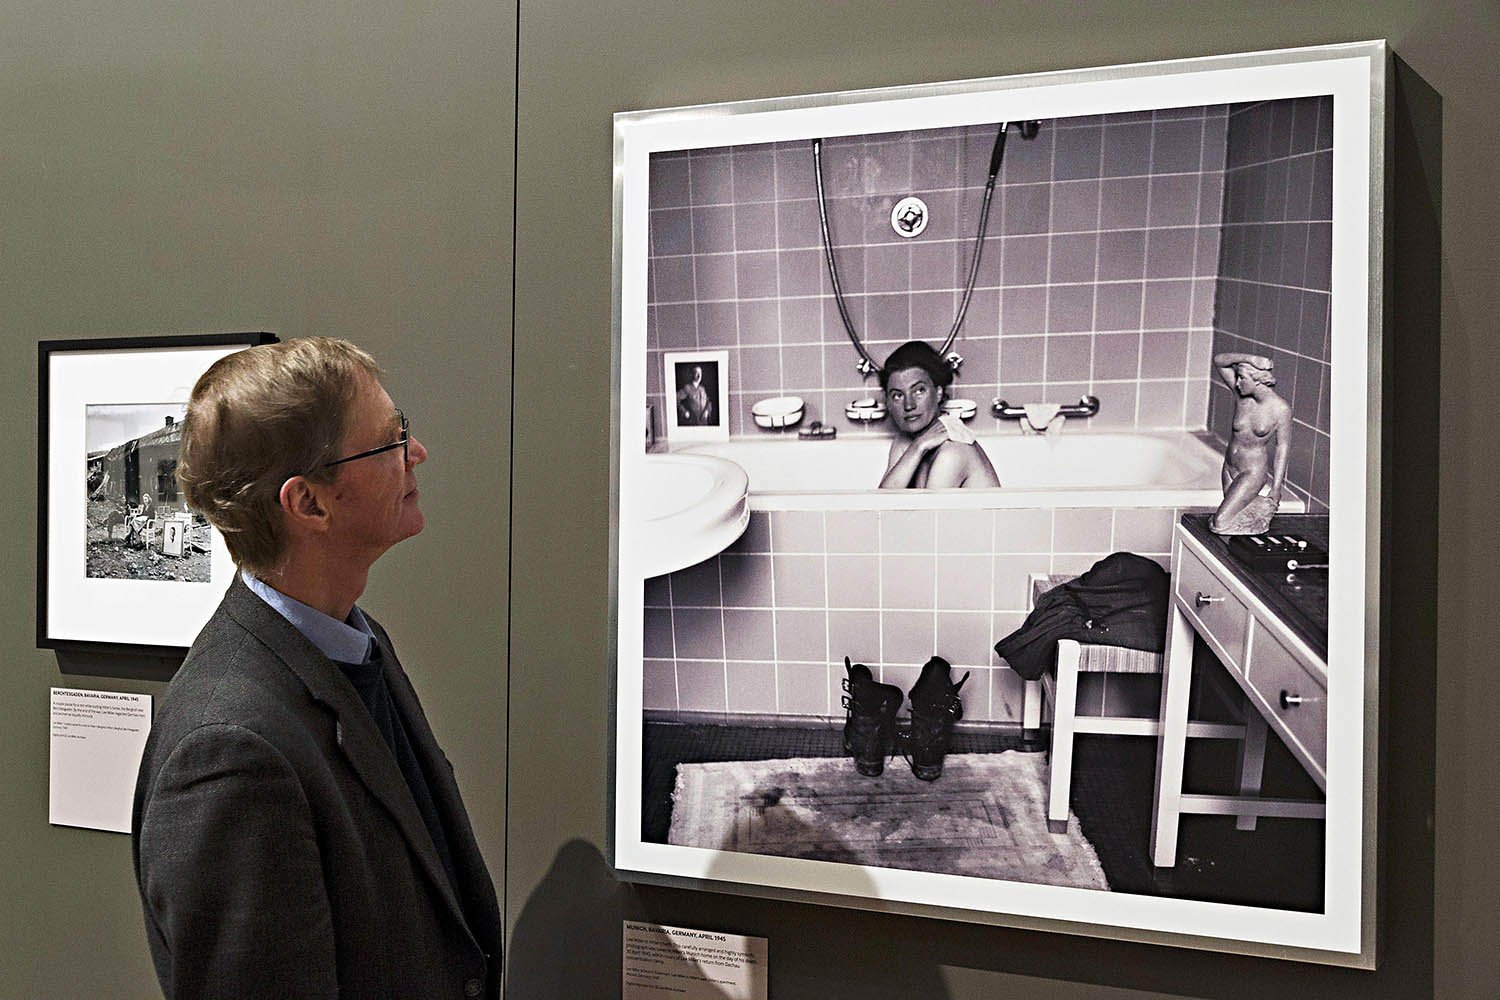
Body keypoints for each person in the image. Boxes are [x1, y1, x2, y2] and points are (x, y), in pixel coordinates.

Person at [131, 338, 500, 999]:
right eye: (391, 441)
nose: (417, 454)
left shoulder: (354, 642)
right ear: (310, 504)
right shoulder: (229, 751)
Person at [878, 340, 999, 489]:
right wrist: (918, 446)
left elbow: (928, 513)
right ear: (888, 402)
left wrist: (918, 446)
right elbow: (881, 504)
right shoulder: (906, 442)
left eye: (919, 391)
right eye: (897, 395)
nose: (909, 405)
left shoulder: (953, 453)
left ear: (939, 393)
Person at [1210, 351, 1291, 534]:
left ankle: (1261, 510)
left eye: (1242, 378)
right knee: (1235, 513)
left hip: (1251, 472)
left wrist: (1277, 488)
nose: (1237, 383)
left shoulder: (1280, 409)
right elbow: (1219, 361)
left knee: (1221, 523)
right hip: (1230, 467)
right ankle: (1258, 507)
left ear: (1258, 380)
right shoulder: (1242, 396)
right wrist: (1250, 359)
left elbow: (1282, 448)